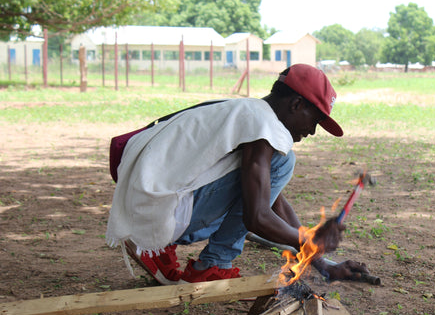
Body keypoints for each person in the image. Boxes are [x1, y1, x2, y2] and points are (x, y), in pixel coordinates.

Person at [106, 64, 369, 285]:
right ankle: (213, 266)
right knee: (285, 163)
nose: (312, 131)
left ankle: (158, 247)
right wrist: (310, 239)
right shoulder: (263, 125)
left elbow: (274, 202)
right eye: (314, 121)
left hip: (147, 209)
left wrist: (321, 263)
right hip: (159, 212)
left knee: (269, 179)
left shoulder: (249, 112)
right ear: (296, 104)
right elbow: (257, 217)